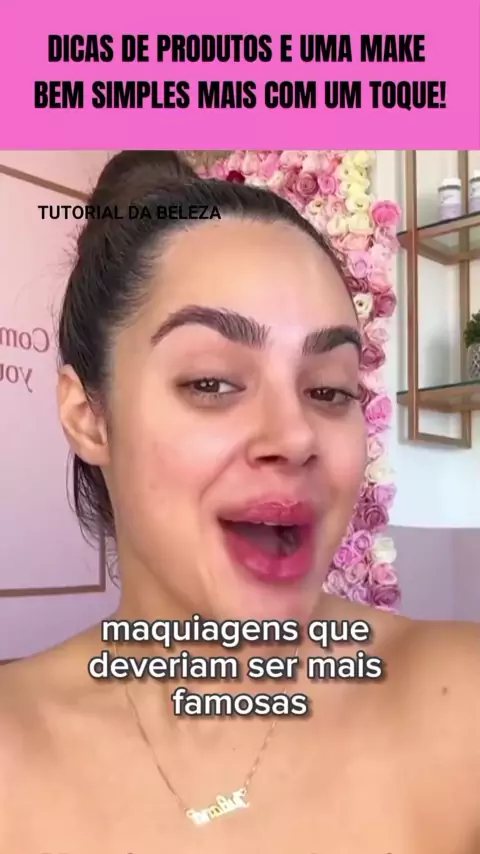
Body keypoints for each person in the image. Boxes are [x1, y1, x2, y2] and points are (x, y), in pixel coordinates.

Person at [0, 150, 479, 854]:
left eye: (329, 390)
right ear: (89, 418)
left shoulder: (463, 707)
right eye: (212, 383)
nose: (295, 436)